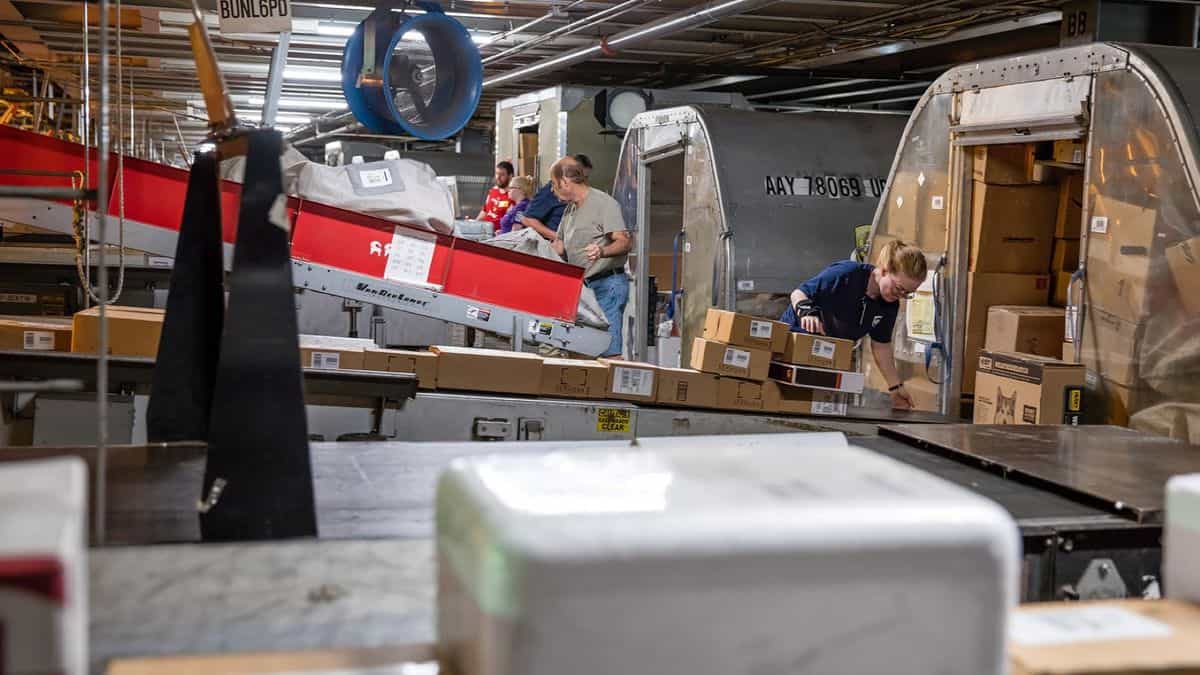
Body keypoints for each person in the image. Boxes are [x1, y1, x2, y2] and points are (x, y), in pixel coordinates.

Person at [780, 239, 929, 409]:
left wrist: (896, 388)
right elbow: (799, 293)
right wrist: (807, 312)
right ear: (885, 270)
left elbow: (881, 345)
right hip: (793, 347)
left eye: (908, 293)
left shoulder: (889, 305)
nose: (900, 295)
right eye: (898, 288)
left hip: (825, 357)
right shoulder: (846, 274)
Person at [549, 157, 631, 358]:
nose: (552, 189)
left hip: (606, 285)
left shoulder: (603, 204)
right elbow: (559, 247)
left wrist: (602, 251)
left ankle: (612, 387)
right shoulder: (570, 209)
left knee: (607, 352)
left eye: (554, 184)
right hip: (584, 289)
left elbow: (624, 241)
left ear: (565, 182)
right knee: (581, 351)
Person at [522, 154, 592, 242]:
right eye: (580, 177)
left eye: (585, 178)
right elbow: (528, 219)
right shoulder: (551, 191)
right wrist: (558, 238)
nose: (583, 182)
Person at [477, 161, 514, 233]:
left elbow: (512, 223)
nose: (498, 177)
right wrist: (474, 224)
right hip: (484, 232)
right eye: (497, 173)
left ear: (510, 176)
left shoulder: (513, 196)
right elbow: (484, 211)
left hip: (498, 236)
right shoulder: (493, 191)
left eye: (502, 174)